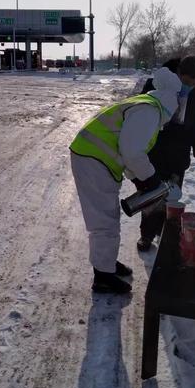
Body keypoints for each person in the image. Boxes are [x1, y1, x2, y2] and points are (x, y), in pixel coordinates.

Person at [70, 67, 183, 294]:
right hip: (94, 160)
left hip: (94, 158)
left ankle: (106, 264)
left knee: (107, 217)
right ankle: (103, 276)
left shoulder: (145, 105)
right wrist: (150, 179)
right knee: (104, 221)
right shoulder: (150, 112)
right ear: (171, 107)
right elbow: (131, 152)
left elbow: (127, 151)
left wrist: (139, 180)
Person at [136, 56, 195, 251]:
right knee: (151, 194)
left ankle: (165, 235)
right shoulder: (156, 83)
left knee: (172, 197)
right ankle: (147, 235)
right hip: (157, 149)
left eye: (193, 84)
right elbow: (140, 113)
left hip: (179, 152)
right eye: (185, 82)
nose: (188, 87)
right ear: (178, 73)